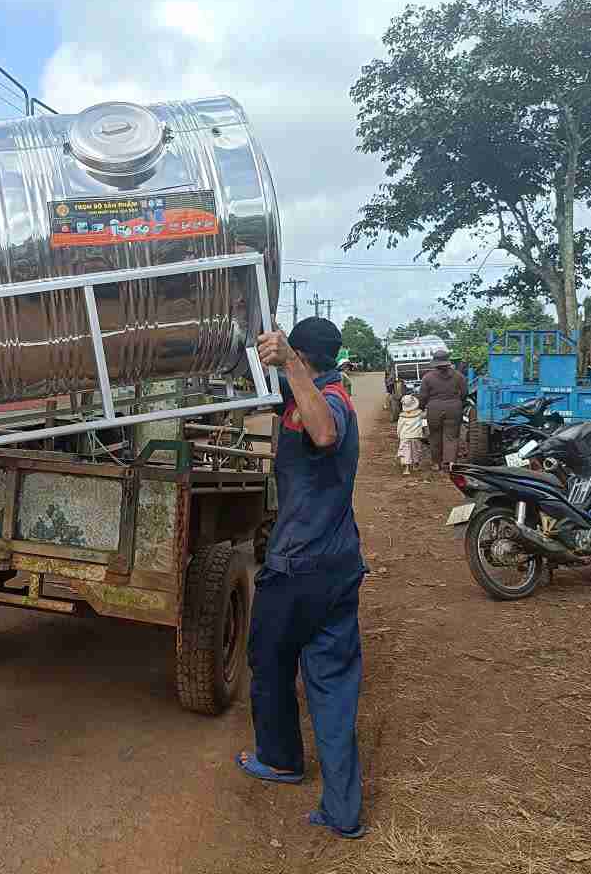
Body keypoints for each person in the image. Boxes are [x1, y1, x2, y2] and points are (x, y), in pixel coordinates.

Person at [235, 317, 368, 840]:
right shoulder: (305, 393)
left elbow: (325, 433)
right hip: (336, 566)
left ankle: (280, 758)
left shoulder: (331, 401)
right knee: (332, 685)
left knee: (268, 662)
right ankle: (343, 811)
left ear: (303, 356)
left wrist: (288, 360)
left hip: (299, 568)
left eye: (291, 354)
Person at [418, 349, 467, 471]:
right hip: (454, 409)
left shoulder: (427, 378)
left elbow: (423, 396)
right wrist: (459, 404)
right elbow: (464, 393)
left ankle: (436, 463)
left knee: (435, 436)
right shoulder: (459, 376)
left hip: (434, 409)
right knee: (452, 436)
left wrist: (421, 408)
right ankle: (451, 463)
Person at [396, 393, 427, 475]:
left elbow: (399, 427)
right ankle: (415, 465)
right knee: (416, 451)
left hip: (405, 436)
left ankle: (406, 469)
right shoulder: (419, 414)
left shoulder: (402, 416)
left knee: (405, 451)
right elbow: (425, 419)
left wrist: (399, 435)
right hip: (416, 436)